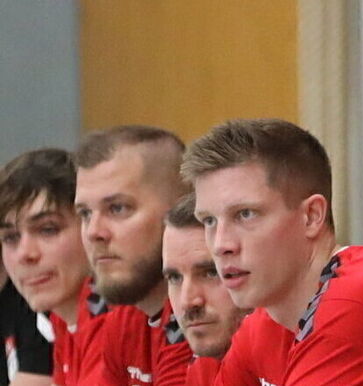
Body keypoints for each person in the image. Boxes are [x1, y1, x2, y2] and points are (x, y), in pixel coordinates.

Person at [184, 118, 363, 386]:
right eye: (209, 221)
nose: (220, 245)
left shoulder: (356, 302)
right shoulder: (264, 324)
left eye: (245, 214)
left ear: (312, 216)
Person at [74, 125, 194, 385]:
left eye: (117, 208)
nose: (94, 232)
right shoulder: (125, 320)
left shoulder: (203, 319)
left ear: (181, 211)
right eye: (84, 214)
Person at [0, 148, 93, 386]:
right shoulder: (62, 323)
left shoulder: (123, 324)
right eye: (10, 237)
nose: (25, 254)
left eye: (47, 229)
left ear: (91, 227)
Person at [162, 193, 250, 386]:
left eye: (211, 273)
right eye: (174, 278)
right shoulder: (204, 366)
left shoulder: (294, 350)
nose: (188, 301)